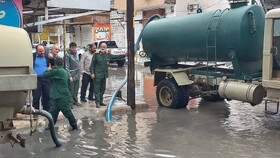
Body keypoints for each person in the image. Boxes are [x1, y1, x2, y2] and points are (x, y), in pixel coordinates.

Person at [43, 57, 78, 130]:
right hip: (61, 95)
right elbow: (69, 85)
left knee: (67, 112)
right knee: (54, 113)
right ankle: (51, 126)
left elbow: (45, 75)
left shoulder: (57, 71)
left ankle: (74, 125)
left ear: (55, 64)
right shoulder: (65, 72)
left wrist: (48, 69)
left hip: (60, 96)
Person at [90, 43, 111, 108]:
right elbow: (92, 65)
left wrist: (125, 55)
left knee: (102, 89)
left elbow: (115, 57)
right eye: (102, 46)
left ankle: (101, 101)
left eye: (104, 47)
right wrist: (92, 73)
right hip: (97, 75)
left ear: (106, 47)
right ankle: (97, 102)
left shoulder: (107, 55)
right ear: (100, 47)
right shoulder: (96, 55)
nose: (103, 48)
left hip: (104, 75)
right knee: (97, 89)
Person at [32, 44, 51, 113]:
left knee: (47, 95)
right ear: (36, 51)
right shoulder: (33, 56)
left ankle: (47, 111)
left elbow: (54, 63)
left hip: (46, 78)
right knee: (36, 97)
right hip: (36, 79)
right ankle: (35, 112)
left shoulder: (47, 56)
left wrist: (51, 59)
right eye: (40, 51)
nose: (42, 52)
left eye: (43, 50)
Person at [65, 42, 82, 107]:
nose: (74, 49)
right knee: (71, 90)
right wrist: (69, 75)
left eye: (75, 47)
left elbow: (78, 64)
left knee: (76, 89)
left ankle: (75, 101)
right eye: (72, 48)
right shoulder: (67, 55)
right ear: (70, 48)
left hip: (77, 74)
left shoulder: (77, 54)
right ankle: (70, 103)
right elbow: (66, 67)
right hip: (71, 75)